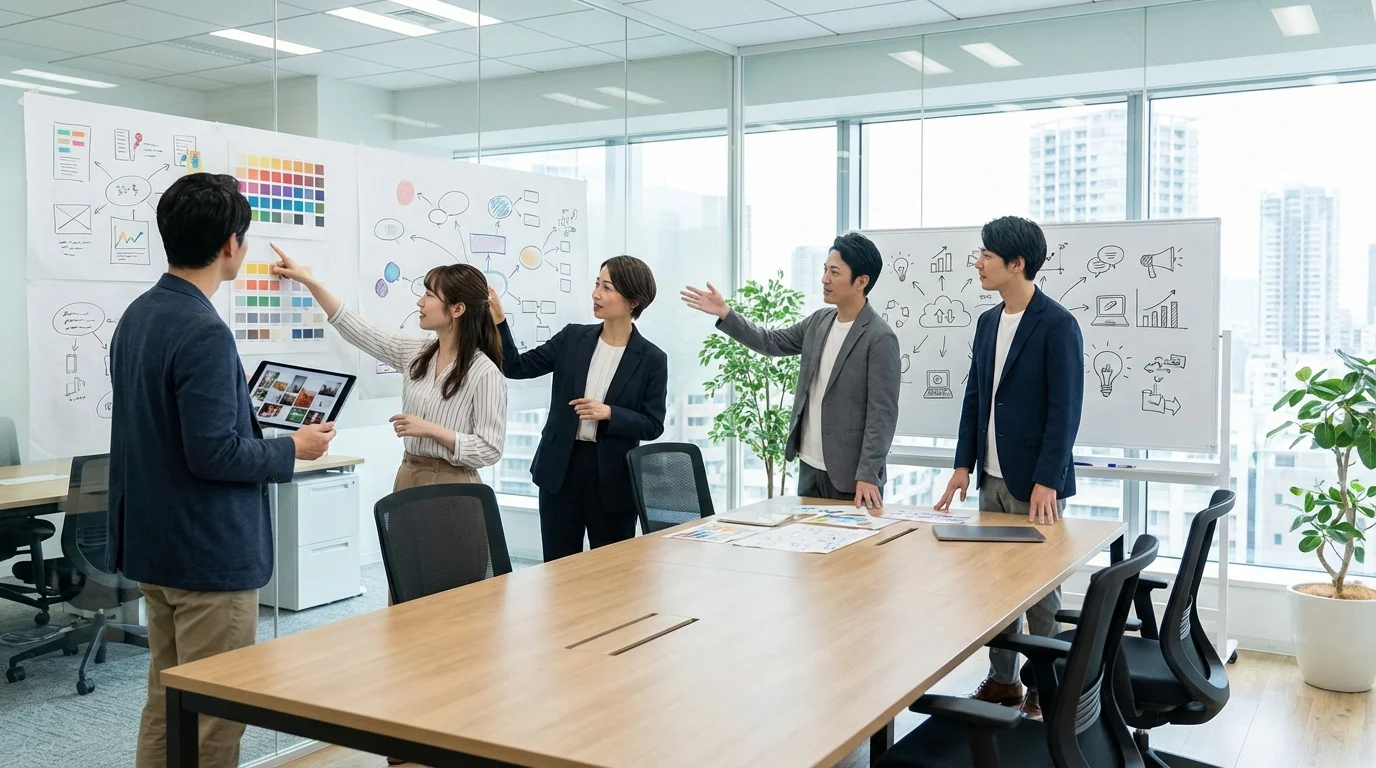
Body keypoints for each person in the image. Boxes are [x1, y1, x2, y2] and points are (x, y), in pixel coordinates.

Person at [110, 173, 337, 768]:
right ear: (231, 244)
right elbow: (213, 454)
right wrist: (293, 448)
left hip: (156, 546)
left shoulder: (139, 314)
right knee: (214, 718)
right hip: (206, 556)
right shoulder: (203, 330)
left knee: (167, 698)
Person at [934, 215, 1085, 722]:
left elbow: (1066, 409)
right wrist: (962, 465)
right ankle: (1004, 681)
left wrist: (1048, 478)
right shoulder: (987, 322)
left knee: (1041, 593)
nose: (977, 263)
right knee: (993, 589)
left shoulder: (1057, 323)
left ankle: (1045, 688)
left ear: (1016, 264)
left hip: (1035, 484)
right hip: (991, 479)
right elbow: (974, 397)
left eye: (986, 256)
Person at [681, 232, 900, 509]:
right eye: (824, 270)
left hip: (852, 477)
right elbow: (770, 342)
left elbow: (883, 413)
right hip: (809, 466)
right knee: (808, 549)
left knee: (850, 551)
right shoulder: (819, 321)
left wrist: (869, 473)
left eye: (834, 272)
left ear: (861, 281)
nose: (824, 279)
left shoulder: (880, 337)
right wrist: (726, 314)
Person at [271, 249, 507, 494]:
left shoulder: (484, 372)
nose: (420, 302)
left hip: (454, 484)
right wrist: (309, 281)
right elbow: (358, 329)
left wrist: (430, 429)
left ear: (457, 309)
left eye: (429, 295)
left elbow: (489, 449)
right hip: (409, 474)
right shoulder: (417, 354)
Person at [491, 255, 667, 562]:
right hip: (561, 470)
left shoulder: (652, 358)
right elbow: (515, 367)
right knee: (558, 570)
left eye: (607, 287)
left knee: (612, 574)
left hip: (613, 480)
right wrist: (499, 323)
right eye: (597, 284)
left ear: (633, 301)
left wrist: (609, 413)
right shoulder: (573, 338)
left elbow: (653, 424)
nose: (596, 294)